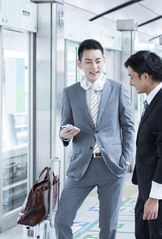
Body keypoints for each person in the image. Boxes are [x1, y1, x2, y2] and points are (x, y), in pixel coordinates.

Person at [55, 39, 135, 239]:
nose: (94, 67)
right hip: (81, 167)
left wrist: (124, 159)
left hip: (111, 166)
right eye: (88, 61)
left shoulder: (118, 89)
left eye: (98, 61)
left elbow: (129, 126)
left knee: (108, 226)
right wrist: (64, 136)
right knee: (62, 219)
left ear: (104, 60)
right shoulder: (70, 92)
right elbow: (64, 125)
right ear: (79, 63)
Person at [124, 50, 162, 239]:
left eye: (132, 77)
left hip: (159, 192)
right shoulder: (154, 102)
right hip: (147, 187)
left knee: (157, 235)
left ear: (146, 76)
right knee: (142, 234)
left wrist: (154, 197)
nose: (130, 82)